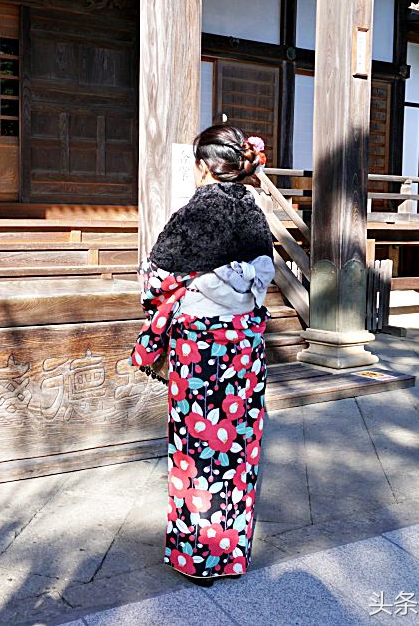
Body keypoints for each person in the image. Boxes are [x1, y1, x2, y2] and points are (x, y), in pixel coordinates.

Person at [129, 124, 275, 586]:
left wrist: (197, 285)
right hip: (244, 344)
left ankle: (197, 557)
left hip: (201, 345)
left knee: (196, 446)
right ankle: (231, 556)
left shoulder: (195, 213)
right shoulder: (252, 212)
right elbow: (264, 271)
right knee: (238, 447)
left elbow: (156, 281)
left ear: (202, 166)